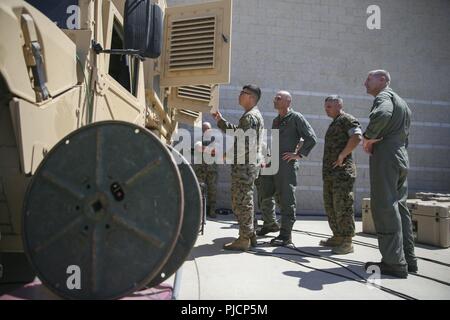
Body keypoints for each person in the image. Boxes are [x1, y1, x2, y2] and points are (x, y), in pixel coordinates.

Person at [363, 70, 417, 278]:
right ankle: (408, 259)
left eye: (369, 79)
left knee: (384, 206)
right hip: (400, 156)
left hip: (386, 156)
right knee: (400, 207)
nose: (364, 83)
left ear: (383, 80)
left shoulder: (384, 97)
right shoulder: (402, 102)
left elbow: (383, 114)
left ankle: (393, 262)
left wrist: (368, 137)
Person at [212, 84, 264, 251]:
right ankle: (250, 235)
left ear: (251, 97)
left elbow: (243, 143)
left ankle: (244, 239)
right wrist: (220, 121)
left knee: (240, 202)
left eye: (243, 92)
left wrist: (226, 154)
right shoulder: (251, 116)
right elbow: (239, 133)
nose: (240, 94)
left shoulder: (250, 117)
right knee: (245, 200)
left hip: (244, 166)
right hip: (247, 165)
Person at [269, 90, 317, 246]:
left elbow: (311, 138)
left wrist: (298, 155)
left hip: (288, 167)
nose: (274, 100)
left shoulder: (296, 118)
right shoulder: (276, 121)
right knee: (278, 198)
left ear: (288, 102)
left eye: (278, 98)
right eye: (275, 98)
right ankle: (278, 228)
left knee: (288, 198)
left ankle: (285, 236)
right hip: (275, 166)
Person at [320, 95, 362, 254]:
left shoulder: (347, 119)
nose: (326, 109)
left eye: (329, 106)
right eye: (325, 106)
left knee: (343, 205)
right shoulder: (335, 122)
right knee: (331, 205)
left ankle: (347, 241)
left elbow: (357, 137)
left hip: (342, 173)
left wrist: (343, 155)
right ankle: (337, 236)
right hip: (331, 173)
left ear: (339, 105)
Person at [193, 122, 218, 218]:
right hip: (200, 169)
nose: (206, 130)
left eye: (207, 128)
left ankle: (212, 210)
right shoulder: (198, 139)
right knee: (199, 190)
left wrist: (204, 149)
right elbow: (197, 147)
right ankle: (200, 211)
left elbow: (216, 151)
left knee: (213, 190)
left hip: (212, 170)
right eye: (204, 128)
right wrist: (208, 150)